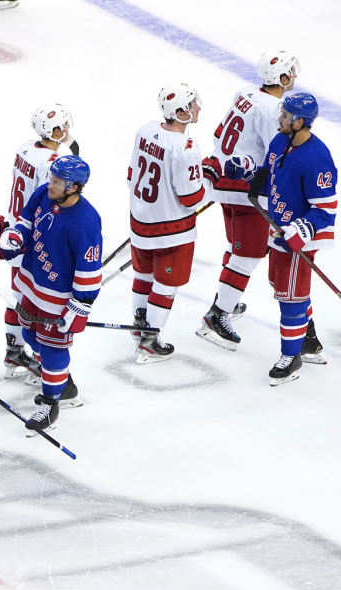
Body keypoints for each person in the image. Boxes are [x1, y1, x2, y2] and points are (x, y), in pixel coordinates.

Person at [198, 52, 324, 362]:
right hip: (247, 191)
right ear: (282, 78)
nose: (294, 74)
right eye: (289, 71)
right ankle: (218, 315)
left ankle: (227, 299)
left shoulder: (245, 93)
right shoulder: (273, 111)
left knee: (242, 248)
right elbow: (278, 155)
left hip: (225, 179)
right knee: (249, 253)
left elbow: (219, 134)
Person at [0, 156, 103, 435]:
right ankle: (63, 385)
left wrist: (81, 304)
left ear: (74, 187)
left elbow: (89, 267)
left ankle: (50, 404)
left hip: (58, 297)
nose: (50, 184)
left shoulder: (87, 221)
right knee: (31, 336)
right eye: (52, 178)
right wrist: (17, 237)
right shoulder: (44, 194)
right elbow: (26, 220)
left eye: (57, 181)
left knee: (54, 347)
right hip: (32, 281)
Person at [245, 93, 336, 385]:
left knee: (291, 295)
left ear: (300, 122)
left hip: (299, 242)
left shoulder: (317, 158)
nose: (279, 119)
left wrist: (299, 231)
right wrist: (248, 175)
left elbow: (326, 209)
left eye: (285, 116)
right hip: (278, 231)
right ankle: (307, 340)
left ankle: (292, 356)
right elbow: (270, 173)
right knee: (278, 284)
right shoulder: (279, 141)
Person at [126, 83, 207, 363]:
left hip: (140, 220)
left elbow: (131, 175)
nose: (198, 108)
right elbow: (190, 198)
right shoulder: (185, 148)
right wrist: (209, 180)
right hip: (171, 230)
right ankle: (150, 340)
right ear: (182, 112)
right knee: (165, 284)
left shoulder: (146, 129)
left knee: (143, 275)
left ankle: (139, 327)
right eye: (193, 104)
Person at [2, 104, 77, 392]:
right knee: (36, 304)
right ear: (55, 130)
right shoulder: (56, 161)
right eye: (64, 125)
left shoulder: (25, 148)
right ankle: (39, 362)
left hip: (15, 230)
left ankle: (13, 353)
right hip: (36, 235)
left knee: (18, 297)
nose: (68, 129)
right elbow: (56, 200)